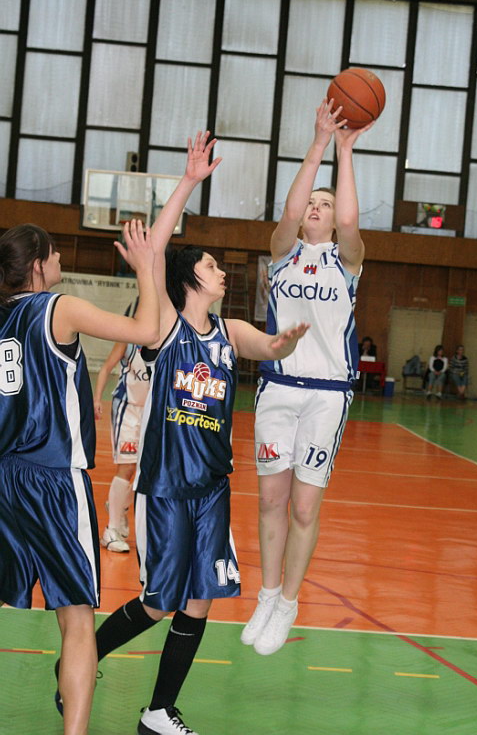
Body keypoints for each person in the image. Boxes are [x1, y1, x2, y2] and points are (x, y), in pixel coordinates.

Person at [75, 131, 309, 735]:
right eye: (210, 265)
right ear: (188, 279)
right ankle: (81, 661)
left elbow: (267, 346)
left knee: (201, 597)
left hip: (211, 489)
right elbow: (154, 252)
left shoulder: (228, 332)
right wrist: (188, 181)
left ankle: (159, 710)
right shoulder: (163, 329)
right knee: (160, 602)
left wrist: (284, 343)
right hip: (164, 488)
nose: (220, 270)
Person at [0, 220, 159, 735]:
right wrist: (146, 269)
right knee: (76, 618)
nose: (61, 262)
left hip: (4, 477)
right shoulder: (58, 307)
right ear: (38, 264)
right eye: (55, 255)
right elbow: (147, 332)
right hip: (52, 479)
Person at [242, 99, 371, 657]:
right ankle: (267, 595)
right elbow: (290, 211)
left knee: (302, 507)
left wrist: (344, 150)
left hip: (326, 396)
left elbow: (350, 222)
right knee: (270, 501)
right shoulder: (284, 254)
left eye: (326, 203)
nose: (316, 209)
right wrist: (317, 143)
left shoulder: (348, 261)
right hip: (278, 388)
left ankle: (289, 602)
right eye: (311, 204)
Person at [94, 310, 150, 553]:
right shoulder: (128, 338)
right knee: (127, 467)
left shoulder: (166, 339)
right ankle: (111, 530)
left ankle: (119, 506)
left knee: (147, 470)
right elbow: (106, 367)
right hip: (127, 408)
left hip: (151, 411)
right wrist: (97, 398)